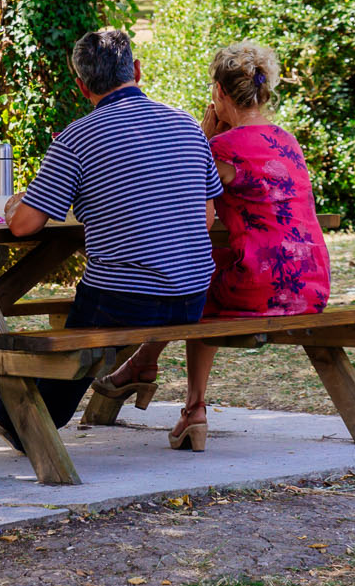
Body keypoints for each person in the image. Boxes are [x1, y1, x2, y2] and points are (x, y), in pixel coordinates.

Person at [0, 28, 221, 453]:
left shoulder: (77, 138)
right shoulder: (187, 124)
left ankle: (35, 417)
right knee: (100, 306)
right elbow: (205, 217)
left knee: (95, 306)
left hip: (126, 297)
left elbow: (23, 226)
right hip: (191, 294)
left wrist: (17, 202)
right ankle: (41, 403)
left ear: (82, 85)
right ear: (138, 71)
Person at [91, 41, 330, 451]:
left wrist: (204, 135)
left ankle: (190, 402)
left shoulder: (220, 148)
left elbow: (185, 209)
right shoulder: (287, 140)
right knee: (203, 278)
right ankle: (144, 368)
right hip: (312, 283)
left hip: (263, 284)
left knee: (193, 285)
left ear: (218, 93)